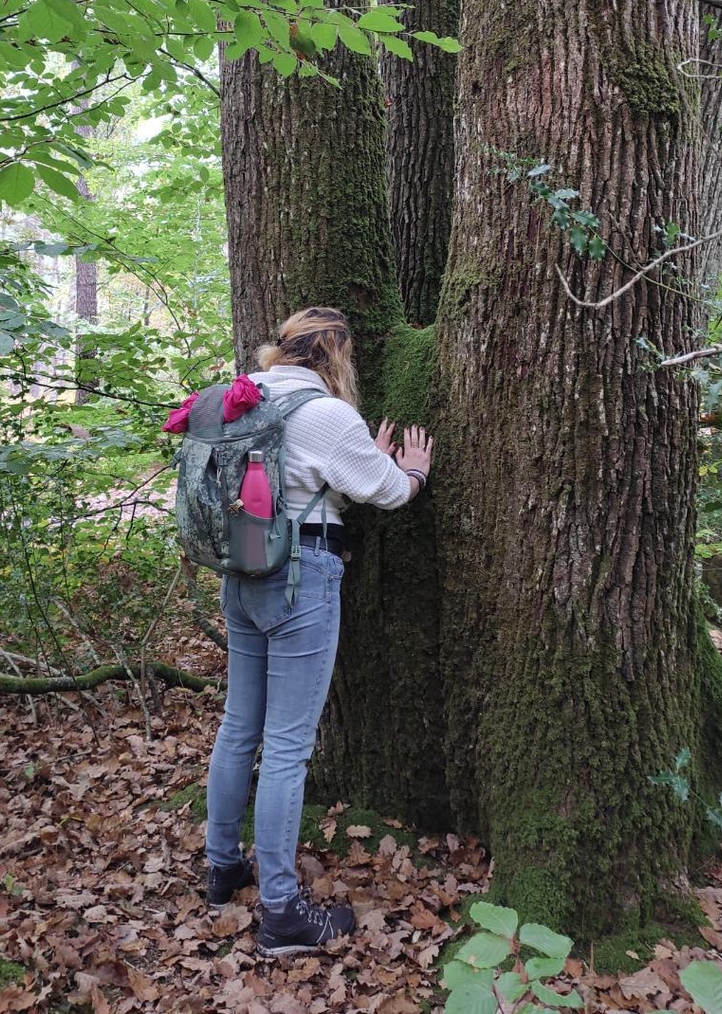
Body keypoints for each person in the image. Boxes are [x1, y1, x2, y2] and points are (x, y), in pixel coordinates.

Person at [203, 306, 434, 957]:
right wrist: (409, 469)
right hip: (301, 575)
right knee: (285, 748)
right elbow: (385, 490)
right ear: (335, 354)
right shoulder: (328, 414)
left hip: (242, 569)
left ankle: (222, 866)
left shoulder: (240, 400)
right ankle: (280, 912)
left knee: (238, 724)